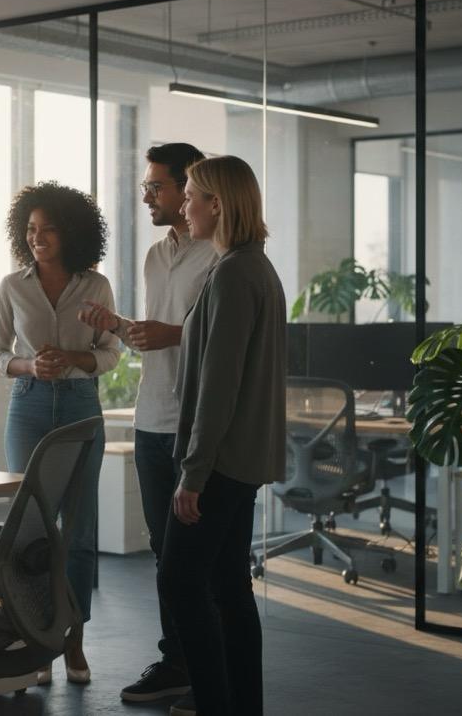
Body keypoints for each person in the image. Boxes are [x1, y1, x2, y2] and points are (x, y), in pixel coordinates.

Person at [77, 143, 217, 704]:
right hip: (151, 418)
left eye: (156, 186)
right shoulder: (157, 255)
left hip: (196, 423)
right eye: (146, 186)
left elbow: (223, 337)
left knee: (196, 556)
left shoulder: (220, 254)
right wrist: (119, 325)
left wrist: (173, 334)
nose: (146, 197)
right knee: (165, 552)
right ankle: (178, 661)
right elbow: (155, 337)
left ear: (188, 190)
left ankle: (208, 668)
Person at [159, 156, 286, 716]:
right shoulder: (252, 267)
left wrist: (193, 472)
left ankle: (215, 704)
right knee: (229, 585)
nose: (183, 207)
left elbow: (219, 385)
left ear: (217, 203)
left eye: (190, 196)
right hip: (240, 459)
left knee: (180, 581)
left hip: (220, 462)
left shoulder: (234, 273)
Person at [0, 181, 120, 685]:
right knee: (31, 530)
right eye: (30, 229)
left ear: (72, 233)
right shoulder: (12, 286)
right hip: (28, 406)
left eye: (48, 229)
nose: (37, 237)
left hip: (82, 406)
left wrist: (73, 358)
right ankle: (37, 639)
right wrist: (28, 366)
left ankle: (73, 639)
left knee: (80, 531)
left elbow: (111, 353)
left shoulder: (96, 286)